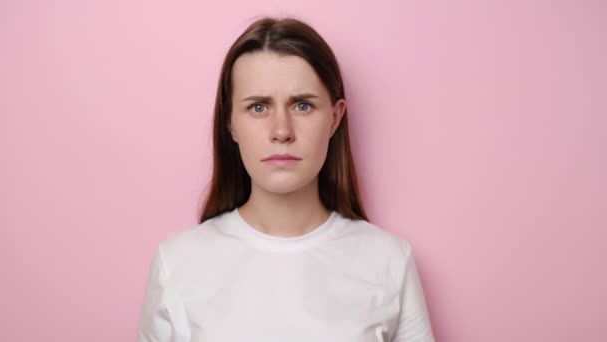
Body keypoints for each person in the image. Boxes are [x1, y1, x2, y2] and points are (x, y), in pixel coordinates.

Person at [136, 16, 435, 342]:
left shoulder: (389, 261)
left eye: (303, 105)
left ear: (334, 118)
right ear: (231, 123)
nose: (281, 131)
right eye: (259, 107)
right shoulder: (177, 263)